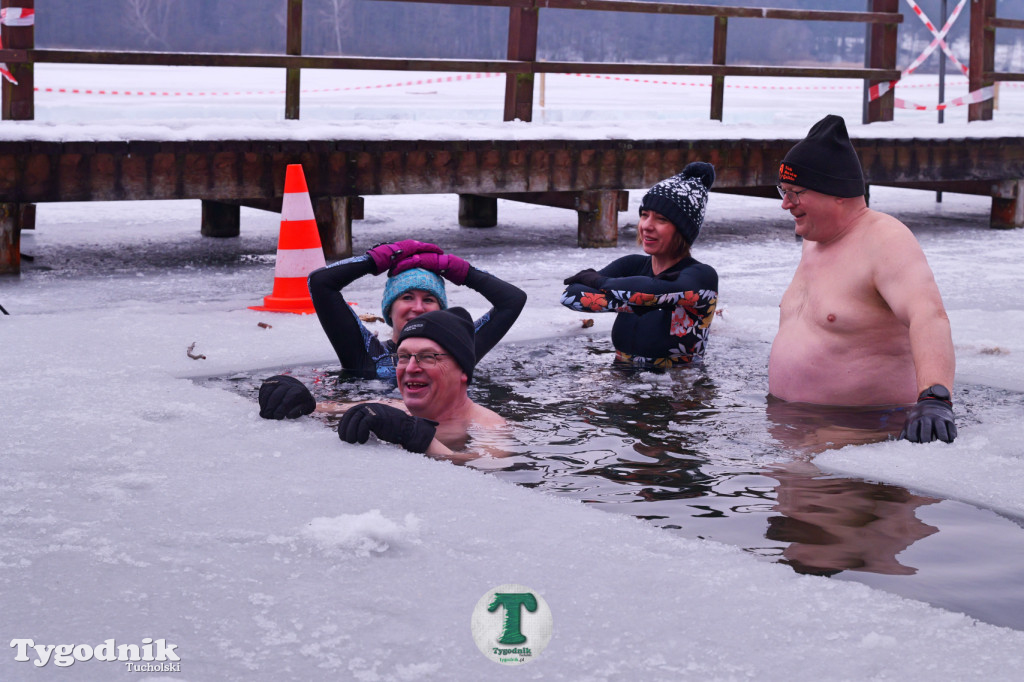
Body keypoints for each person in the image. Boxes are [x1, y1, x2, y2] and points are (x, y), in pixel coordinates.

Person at [770, 114, 957, 444]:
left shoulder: (885, 240)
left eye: (794, 193)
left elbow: (928, 315)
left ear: (836, 193)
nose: (785, 204)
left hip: (865, 431)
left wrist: (934, 398)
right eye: (782, 192)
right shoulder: (815, 239)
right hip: (791, 424)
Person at [258, 307, 505, 459]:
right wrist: (290, 392)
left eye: (428, 357)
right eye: (403, 357)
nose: (411, 368)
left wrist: (417, 437)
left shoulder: (490, 426)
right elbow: (315, 408)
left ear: (462, 371)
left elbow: (484, 467)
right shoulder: (391, 408)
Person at [560, 162, 719, 368]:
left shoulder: (701, 276)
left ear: (683, 229)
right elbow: (571, 296)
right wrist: (633, 298)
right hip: (621, 375)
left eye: (661, 219)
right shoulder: (632, 265)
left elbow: (651, 292)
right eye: (644, 215)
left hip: (680, 381)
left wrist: (597, 281)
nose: (646, 226)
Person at [307, 239, 526, 384]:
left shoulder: (458, 349)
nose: (418, 308)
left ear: (441, 312)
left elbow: (513, 300)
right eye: (407, 297)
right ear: (389, 310)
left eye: (429, 299)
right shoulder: (365, 354)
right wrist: (377, 259)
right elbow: (320, 283)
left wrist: (455, 268)